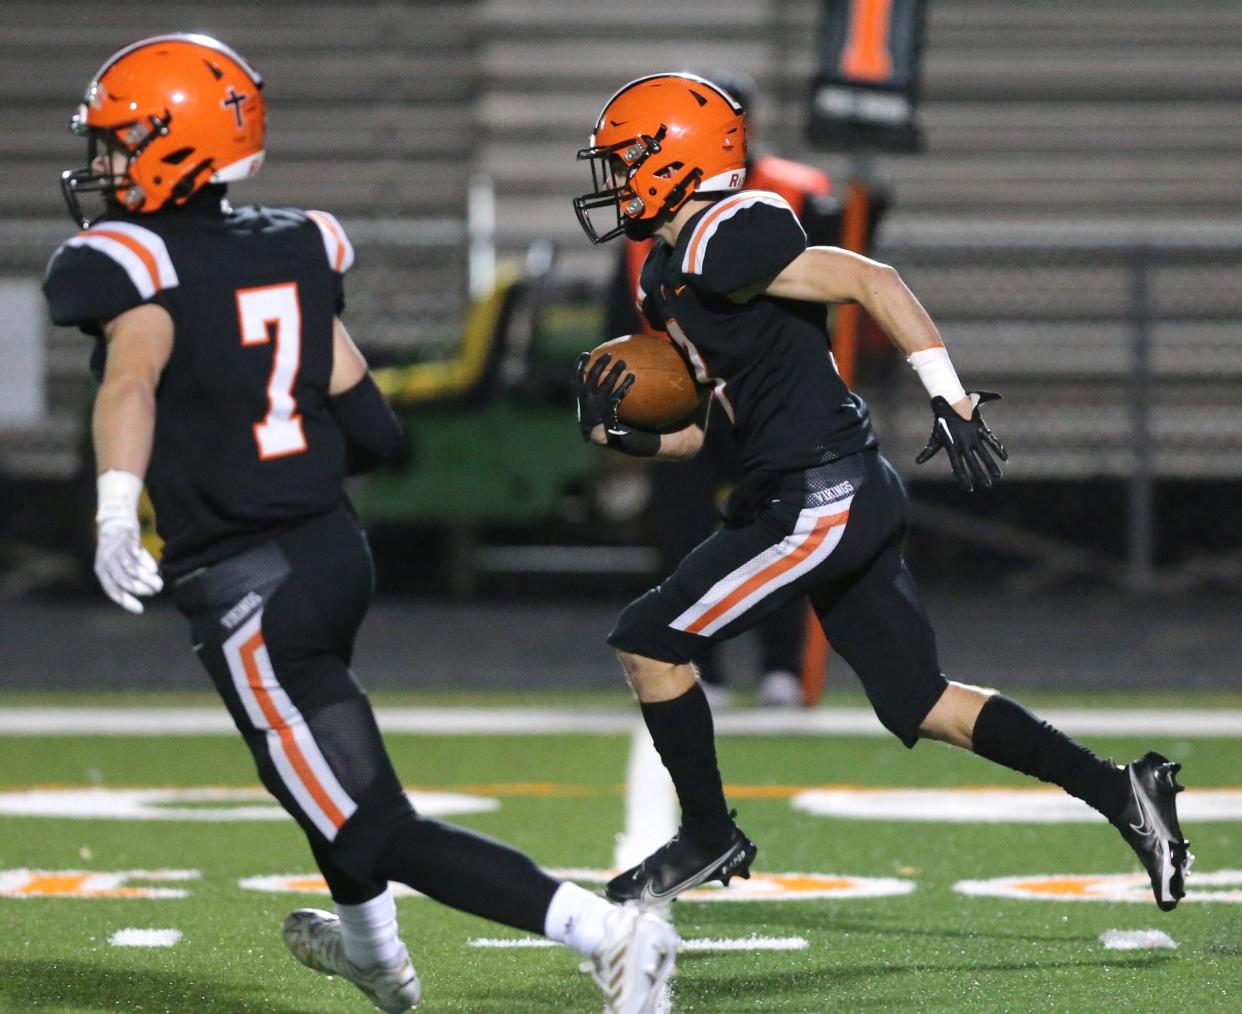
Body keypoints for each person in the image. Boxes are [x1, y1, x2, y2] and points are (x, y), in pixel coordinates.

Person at [45, 34, 676, 1014]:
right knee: (319, 777)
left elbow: (132, 375)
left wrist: (117, 504)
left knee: (372, 823)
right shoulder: (298, 241)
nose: (104, 166)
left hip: (247, 582)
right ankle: (375, 954)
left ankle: (604, 933)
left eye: (122, 144)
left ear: (178, 145)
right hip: (332, 556)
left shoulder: (131, 262)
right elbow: (372, 423)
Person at [571, 72, 1192, 912]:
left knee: (649, 638)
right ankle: (1125, 793)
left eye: (625, 158)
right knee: (922, 701)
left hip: (818, 496)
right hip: (822, 488)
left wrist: (950, 394)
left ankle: (708, 834)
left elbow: (872, 279)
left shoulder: (728, 228)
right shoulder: (668, 272)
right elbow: (704, 429)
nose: (611, 179)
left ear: (672, 156)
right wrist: (629, 434)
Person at [601, 70, 844, 710]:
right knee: (683, 528)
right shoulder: (654, 203)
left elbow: (853, 276)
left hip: (769, 399)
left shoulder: (795, 191)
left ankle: (779, 665)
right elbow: (621, 306)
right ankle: (699, 662)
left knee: (784, 528)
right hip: (686, 390)